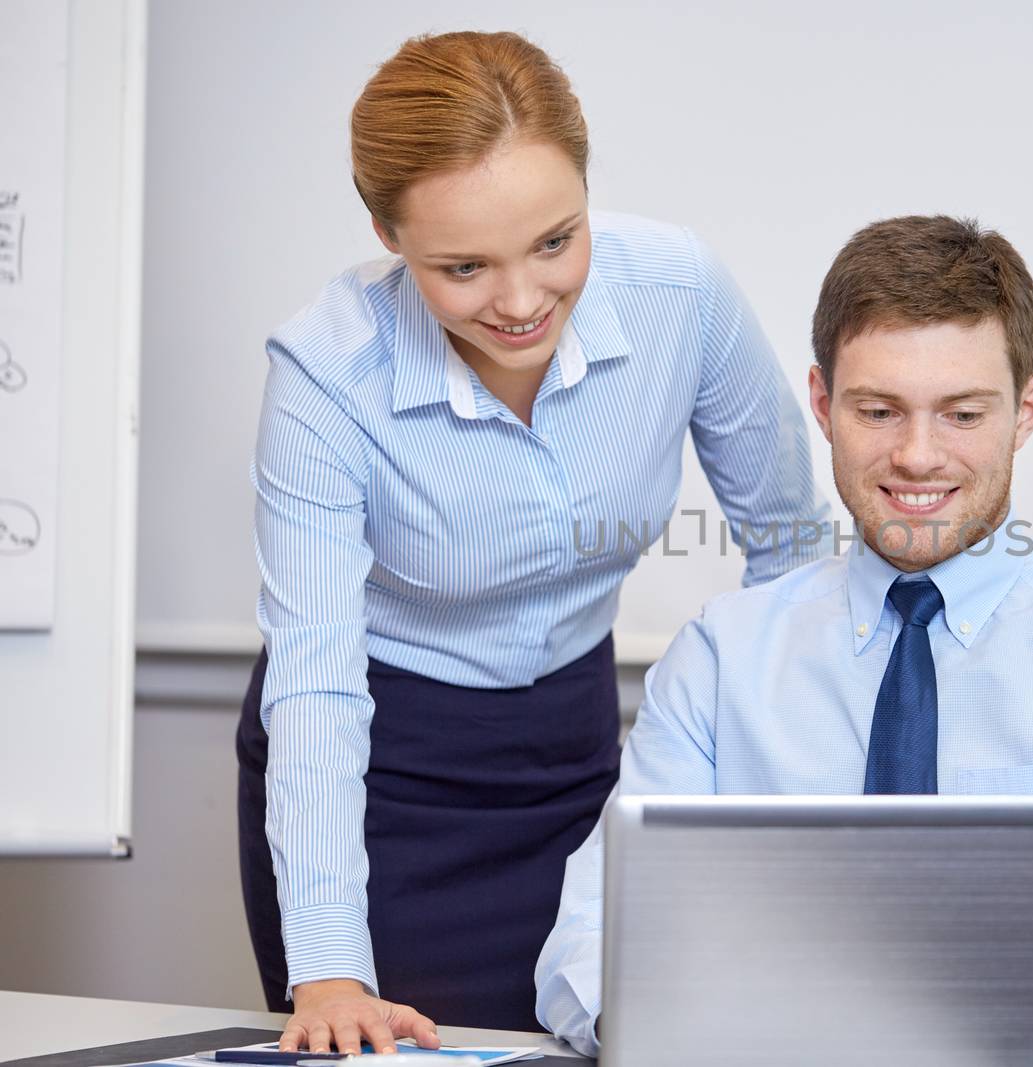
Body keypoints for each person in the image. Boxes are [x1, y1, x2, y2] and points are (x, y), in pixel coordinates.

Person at [534, 215, 1033, 1064]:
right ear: (822, 404)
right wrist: (668, 1028)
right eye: (879, 410)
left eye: (963, 413)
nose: (917, 456)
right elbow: (590, 939)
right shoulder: (723, 656)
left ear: (1025, 409)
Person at [236, 30, 828, 1054]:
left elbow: (791, 550)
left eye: (556, 241)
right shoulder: (327, 375)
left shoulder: (678, 294)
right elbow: (318, 682)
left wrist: (784, 797)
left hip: (578, 753)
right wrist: (330, 965)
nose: (518, 302)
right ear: (386, 232)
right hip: (384, 775)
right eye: (462, 266)